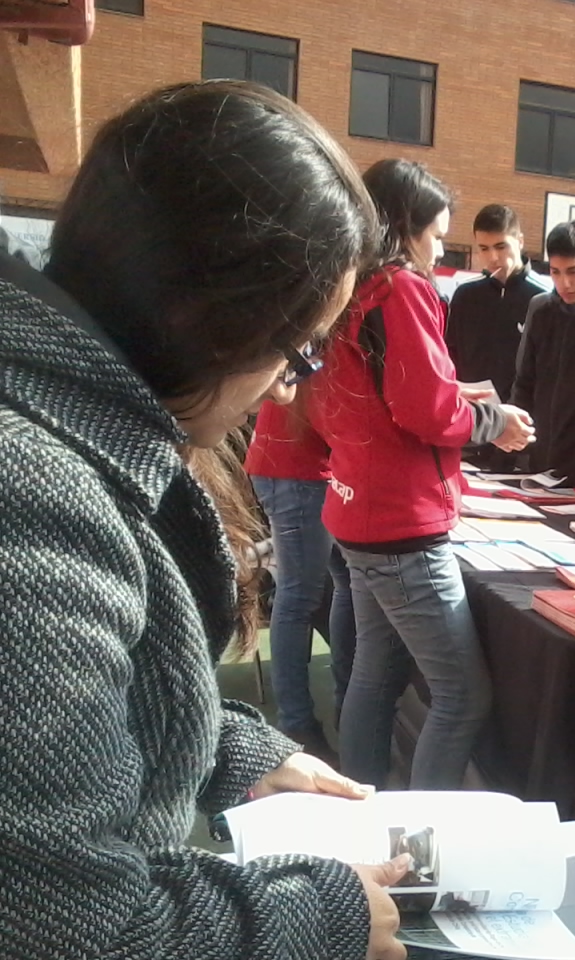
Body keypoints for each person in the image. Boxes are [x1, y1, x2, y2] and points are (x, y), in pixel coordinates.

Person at [0, 80, 410, 959]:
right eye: (296, 350)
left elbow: (66, 706)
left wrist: (231, 749)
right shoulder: (34, 503)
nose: (288, 387)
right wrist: (325, 915)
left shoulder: (52, 430)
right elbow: (75, 934)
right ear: (214, 321)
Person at [311, 158, 534, 790]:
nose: (442, 251)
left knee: (376, 670)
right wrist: (493, 421)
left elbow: (381, 395)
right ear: (407, 227)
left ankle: (363, 801)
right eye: (438, 236)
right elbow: (425, 410)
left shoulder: (348, 286)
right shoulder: (401, 288)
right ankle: (422, 846)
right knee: (460, 696)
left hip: (358, 507)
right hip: (401, 523)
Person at [245, 395, 357, 758]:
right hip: (296, 468)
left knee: (348, 580)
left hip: (311, 465)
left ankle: (346, 703)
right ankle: (296, 724)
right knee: (298, 596)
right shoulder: (328, 339)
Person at [510, 220, 575, 488]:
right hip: (539, 460)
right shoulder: (542, 311)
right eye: (555, 272)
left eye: (574, 271)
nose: (565, 282)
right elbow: (525, 381)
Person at [444, 204, 553, 402]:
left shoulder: (545, 297)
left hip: (525, 418)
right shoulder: (464, 295)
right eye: (484, 249)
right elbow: (450, 357)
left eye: (501, 247)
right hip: (473, 416)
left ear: (519, 242)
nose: (493, 257)